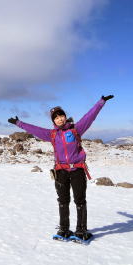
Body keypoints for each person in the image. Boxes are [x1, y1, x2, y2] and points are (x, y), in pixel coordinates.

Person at [8, 95, 114, 240]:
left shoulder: (76, 129)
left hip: (77, 169)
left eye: (61, 116)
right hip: (61, 171)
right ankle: (64, 229)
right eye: (56, 117)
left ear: (65, 116)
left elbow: (90, 117)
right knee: (63, 201)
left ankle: (81, 230)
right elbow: (35, 129)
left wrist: (100, 103)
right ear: (53, 121)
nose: (59, 119)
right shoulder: (51, 134)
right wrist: (19, 123)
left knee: (80, 200)